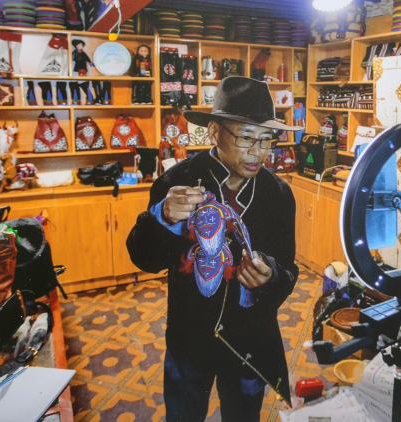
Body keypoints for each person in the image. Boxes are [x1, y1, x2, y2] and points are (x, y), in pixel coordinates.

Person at [126, 76, 301, 421]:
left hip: (249, 342)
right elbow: (144, 258)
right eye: (246, 137)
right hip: (189, 339)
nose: (258, 152)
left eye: (266, 139)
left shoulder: (278, 194)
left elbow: (288, 270)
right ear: (214, 132)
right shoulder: (175, 182)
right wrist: (162, 217)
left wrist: (270, 277)